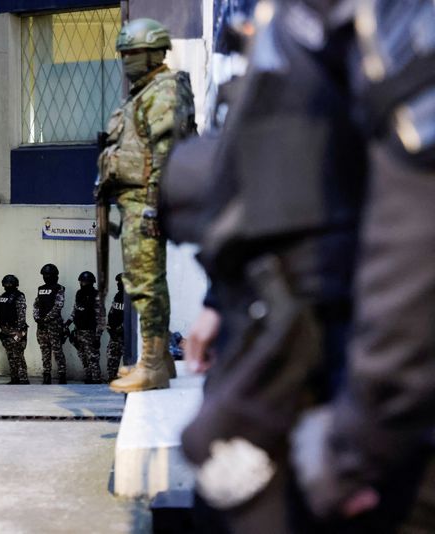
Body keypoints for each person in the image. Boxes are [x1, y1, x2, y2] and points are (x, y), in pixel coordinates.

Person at [158, 1, 435, 532]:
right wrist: (221, 299)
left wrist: (357, 444)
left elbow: (418, 218)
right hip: (295, 342)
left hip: (367, 389)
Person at [96, 17, 195, 394]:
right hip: (134, 200)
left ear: (153, 52)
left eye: (132, 53)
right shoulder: (144, 90)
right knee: (144, 281)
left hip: (145, 201)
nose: (126, 60)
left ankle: (152, 365)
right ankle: (159, 360)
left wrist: (154, 205)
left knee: (145, 283)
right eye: (124, 53)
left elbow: (165, 150)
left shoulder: (163, 90)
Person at [33, 263, 66, 385]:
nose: (46, 277)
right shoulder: (41, 289)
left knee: (57, 351)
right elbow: (36, 304)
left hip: (54, 325)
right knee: (44, 350)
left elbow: (58, 306)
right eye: (44, 275)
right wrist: (37, 318)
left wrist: (46, 319)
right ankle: (46, 375)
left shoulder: (59, 288)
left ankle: (62, 375)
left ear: (54, 275)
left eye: (48, 274)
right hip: (41, 325)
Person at [70, 271, 105, 384]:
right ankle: (88, 376)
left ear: (90, 283)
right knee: (82, 356)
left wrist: (98, 336)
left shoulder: (97, 295)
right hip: (79, 330)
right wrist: (68, 323)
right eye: (81, 281)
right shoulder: (79, 293)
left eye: (84, 282)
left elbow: (101, 317)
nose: (82, 283)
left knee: (93, 358)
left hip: (91, 332)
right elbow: (76, 309)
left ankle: (96, 379)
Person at [0, 274, 30, 385]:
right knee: (10, 355)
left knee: (18, 354)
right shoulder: (2, 297)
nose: (8, 285)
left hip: (17, 329)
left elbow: (21, 314)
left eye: (10, 283)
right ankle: (14, 377)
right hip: (6, 330)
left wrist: (19, 331)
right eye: (6, 283)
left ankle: (23, 378)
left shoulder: (19, 296)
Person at [105, 273, 126, 382]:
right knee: (111, 357)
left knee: (129, 360)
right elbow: (112, 313)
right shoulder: (118, 296)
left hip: (126, 336)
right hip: (114, 335)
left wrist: (120, 328)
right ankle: (111, 379)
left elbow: (131, 317)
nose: (118, 285)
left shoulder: (132, 298)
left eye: (120, 283)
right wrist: (110, 328)